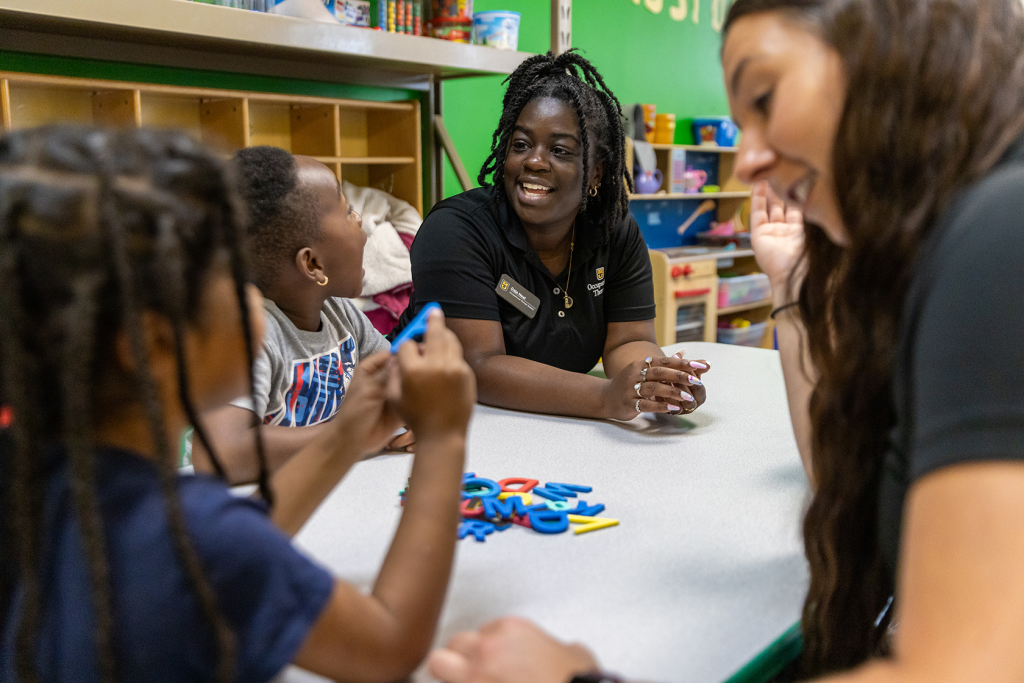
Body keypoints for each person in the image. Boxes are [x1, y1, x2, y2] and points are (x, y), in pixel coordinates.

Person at [423, 1, 1024, 682]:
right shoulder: (964, 235)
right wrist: (792, 289)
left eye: (767, 99)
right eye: (741, 124)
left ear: (885, 61)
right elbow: (842, 483)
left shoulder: (998, 237)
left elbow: (964, 667)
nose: (749, 160)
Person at [0, 126, 476, 682]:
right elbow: (389, 646)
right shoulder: (202, 541)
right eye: (232, 277)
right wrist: (445, 438)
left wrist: (350, 434)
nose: (255, 289)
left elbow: (225, 549)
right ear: (152, 345)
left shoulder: (41, 485)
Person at [391, 50, 710, 421]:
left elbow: (628, 341)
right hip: (427, 419)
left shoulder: (613, 231)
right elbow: (478, 366)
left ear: (595, 174)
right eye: (521, 144)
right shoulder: (455, 231)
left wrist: (652, 383)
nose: (534, 161)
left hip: (549, 424)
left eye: (559, 151)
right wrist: (606, 396)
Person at [192, 147, 413, 485]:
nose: (361, 222)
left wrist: (404, 413)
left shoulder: (341, 315)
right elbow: (218, 455)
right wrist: (352, 437)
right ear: (313, 264)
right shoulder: (252, 334)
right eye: (348, 211)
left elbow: (401, 380)